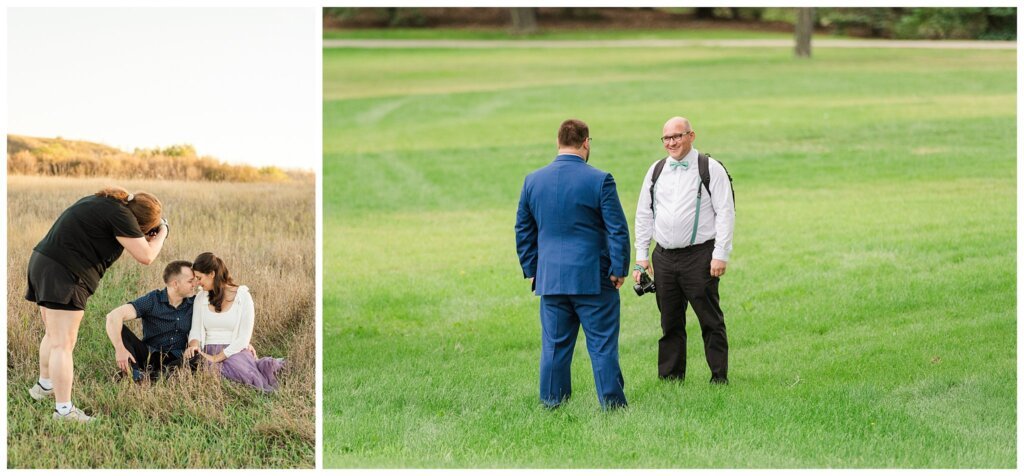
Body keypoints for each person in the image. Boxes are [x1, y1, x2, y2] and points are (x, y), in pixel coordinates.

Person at [515, 119, 631, 409]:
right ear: (586, 142)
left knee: (554, 348)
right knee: (602, 346)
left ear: (558, 142)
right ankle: (613, 406)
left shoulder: (533, 180)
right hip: (593, 278)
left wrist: (532, 270)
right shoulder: (600, 179)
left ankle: (553, 403)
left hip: (551, 279)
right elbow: (617, 228)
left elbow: (523, 229)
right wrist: (619, 269)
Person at [26, 187, 167, 422]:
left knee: (53, 333)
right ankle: (64, 411)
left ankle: (44, 386)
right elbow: (147, 256)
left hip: (43, 262)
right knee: (63, 343)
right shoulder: (122, 217)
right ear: (141, 224)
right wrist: (163, 230)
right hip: (65, 273)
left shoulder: (105, 203)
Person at [634, 116, 735, 384]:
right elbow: (644, 214)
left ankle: (718, 376)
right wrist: (641, 257)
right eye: (667, 138)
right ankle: (670, 378)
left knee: (710, 320)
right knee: (670, 322)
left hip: (700, 256)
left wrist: (720, 254)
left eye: (677, 136)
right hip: (664, 257)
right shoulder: (656, 170)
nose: (672, 142)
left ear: (691, 135)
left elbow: (726, 212)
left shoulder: (710, 168)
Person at [185, 252, 284, 392]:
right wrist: (194, 347)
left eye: (199, 278)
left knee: (241, 376)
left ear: (212, 274)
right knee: (197, 371)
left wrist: (215, 358)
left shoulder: (243, 296)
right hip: (207, 351)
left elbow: (243, 338)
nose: (197, 283)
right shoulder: (201, 298)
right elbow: (195, 330)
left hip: (234, 350)